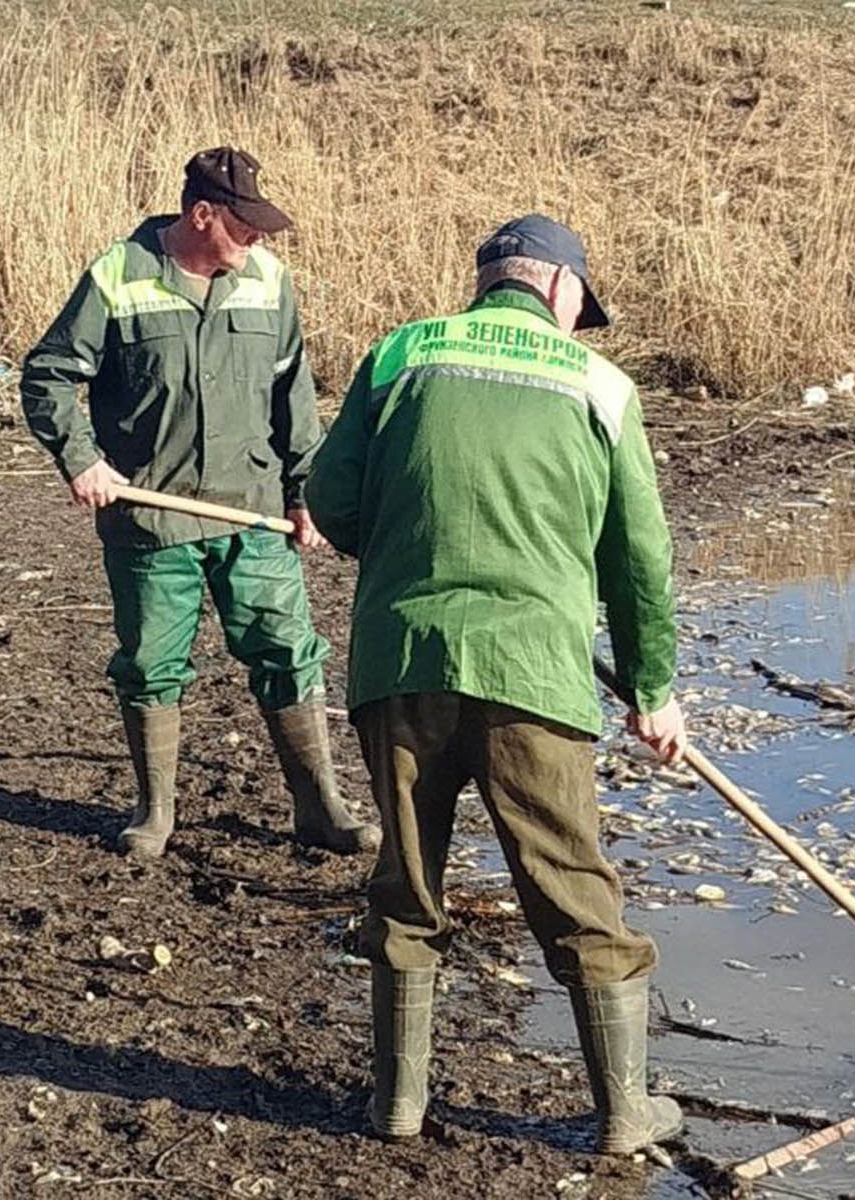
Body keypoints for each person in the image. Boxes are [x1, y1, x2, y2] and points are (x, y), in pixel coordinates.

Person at [305, 215, 686, 1152]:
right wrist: (652, 688)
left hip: (401, 665)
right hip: (534, 675)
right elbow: (638, 560)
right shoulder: (600, 385)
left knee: (406, 880)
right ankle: (625, 1114)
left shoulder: (401, 355)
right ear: (561, 292)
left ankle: (397, 1105)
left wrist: (401, 556)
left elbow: (330, 502)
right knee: (571, 885)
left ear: (489, 282)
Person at [20, 147, 377, 860]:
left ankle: (321, 809)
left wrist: (305, 491)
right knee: (151, 663)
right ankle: (155, 813)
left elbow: (293, 398)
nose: (258, 241)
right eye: (245, 227)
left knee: (287, 652)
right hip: (151, 518)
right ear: (202, 213)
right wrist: (82, 459)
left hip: (252, 512)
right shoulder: (119, 276)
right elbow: (49, 374)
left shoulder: (267, 282)